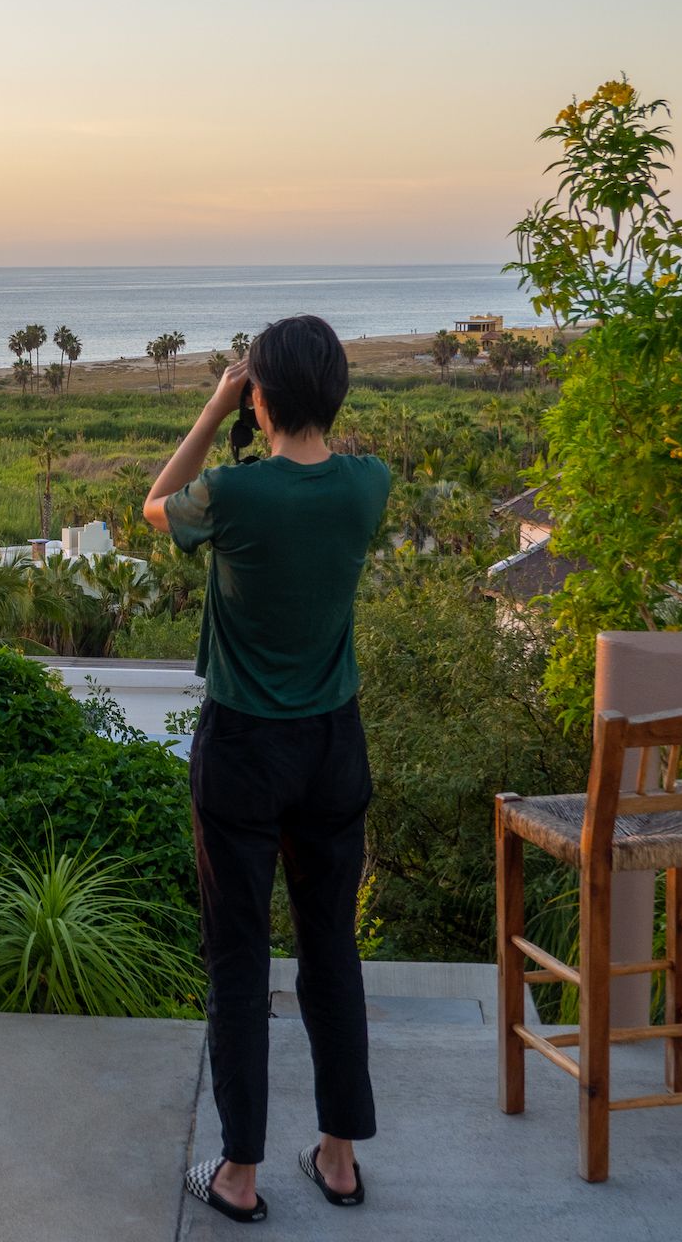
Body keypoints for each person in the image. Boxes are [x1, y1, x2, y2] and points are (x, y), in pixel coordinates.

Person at [143, 314, 390, 1226]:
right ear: (335, 393)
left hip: (245, 747)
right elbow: (329, 460)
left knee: (239, 959)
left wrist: (216, 405)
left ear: (260, 395)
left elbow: (154, 505)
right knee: (332, 950)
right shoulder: (370, 487)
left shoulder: (235, 497)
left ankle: (239, 1175)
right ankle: (338, 1159)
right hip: (334, 744)